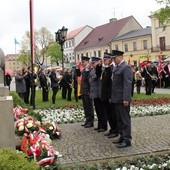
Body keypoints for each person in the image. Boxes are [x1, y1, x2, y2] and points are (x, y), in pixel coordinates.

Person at [111, 50, 133, 148]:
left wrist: (126, 98)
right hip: (116, 98)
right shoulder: (117, 68)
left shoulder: (126, 68)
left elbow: (127, 84)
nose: (113, 60)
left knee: (125, 120)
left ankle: (127, 139)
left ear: (120, 57)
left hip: (122, 98)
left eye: (114, 58)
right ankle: (121, 136)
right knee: (119, 119)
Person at [96, 52, 118, 138]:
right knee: (108, 114)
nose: (104, 61)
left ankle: (115, 130)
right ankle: (112, 129)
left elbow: (111, 84)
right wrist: (99, 66)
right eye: (104, 60)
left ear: (110, 59)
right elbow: (99, 76)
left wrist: (110, 96)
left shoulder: (112, 68)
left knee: (112, 114)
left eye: (106, 59)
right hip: (104, 95)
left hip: (110, 95)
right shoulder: (105, 68)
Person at [89, 56, 107, 132]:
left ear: (98, 62)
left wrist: (98, 66)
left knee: (101, 110)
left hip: (99, 93)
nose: (92, 64)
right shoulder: (92, 70)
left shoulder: (100, 69)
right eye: (92, 63)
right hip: (94, 93)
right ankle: (100, 125)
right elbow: (89, 78)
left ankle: (104, 125)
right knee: (98, 110)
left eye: (94, 63)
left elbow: (96, 77)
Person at [76, 56, 94, 128]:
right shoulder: (84, 69)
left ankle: (90, 121)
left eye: (83, 62)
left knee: (89, 106)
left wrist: (90, 91)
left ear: (87, 61)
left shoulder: (89, 69)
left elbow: (89, 81)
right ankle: (87, 120)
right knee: (85, 106)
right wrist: (77, 67)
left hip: (88, 90)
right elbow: (78, 75)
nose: (82, 63)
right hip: (83, 90)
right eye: (82, 62)